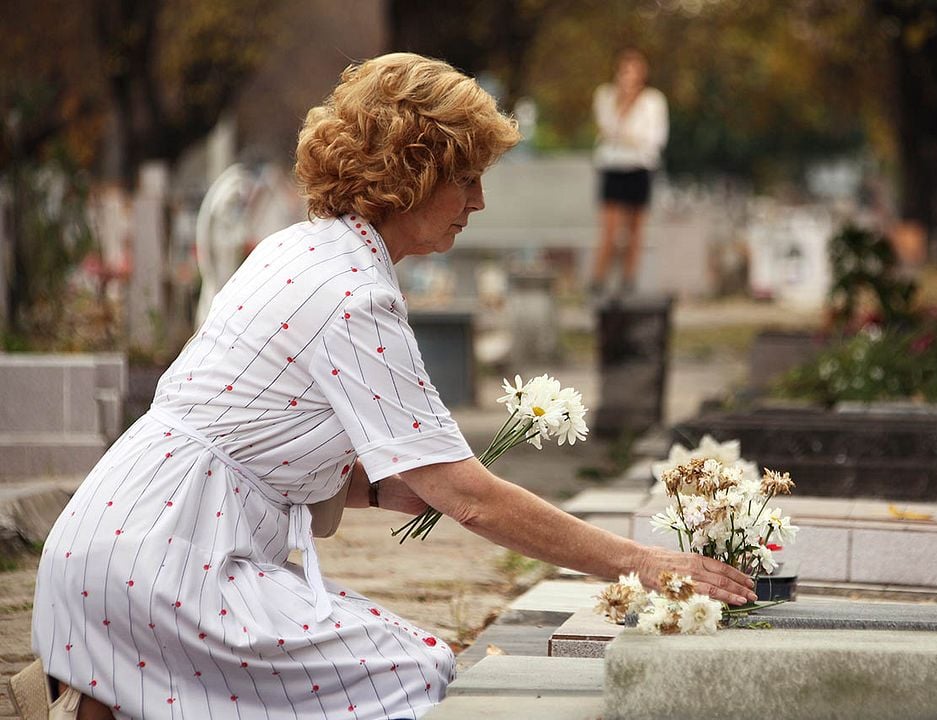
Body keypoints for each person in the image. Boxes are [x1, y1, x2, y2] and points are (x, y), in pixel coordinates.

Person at [31, 53, 754, 720]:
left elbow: (248, 432)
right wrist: (646, 562)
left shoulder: (298, 247)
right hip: (166, 567)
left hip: (112, 543)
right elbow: (468, 497)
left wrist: (376, 487)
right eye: (466, 179)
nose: (478, 204)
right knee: (415, 675)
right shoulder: (353, 296)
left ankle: (106, 690)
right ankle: (112, 679)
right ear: (413, 173)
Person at [589, 47, 669, 297]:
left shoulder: (653, 101)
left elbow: (654, 139)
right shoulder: (606, 96)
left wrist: (626, 136)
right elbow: (607, 128)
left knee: (636, 232)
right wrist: (623, 106)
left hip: (640, 169)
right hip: (613, 168)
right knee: (610, 232)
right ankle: (599, 282)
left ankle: (628, 283)